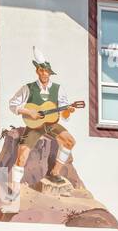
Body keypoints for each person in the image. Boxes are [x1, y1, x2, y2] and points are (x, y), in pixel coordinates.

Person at [6, 47, 85, 192]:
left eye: (47, 71)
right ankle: (15, 186)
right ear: (37, 71)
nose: (44, 74)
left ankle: (55, 172)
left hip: (51, 124)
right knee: (22, 153)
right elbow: (12, 104)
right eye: (41, 71)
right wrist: (29, 112)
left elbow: (64, 114)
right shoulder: (28, 88)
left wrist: (68, 111)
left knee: (69, 141)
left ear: (50, 73)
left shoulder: (58, 89)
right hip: (34, 126)